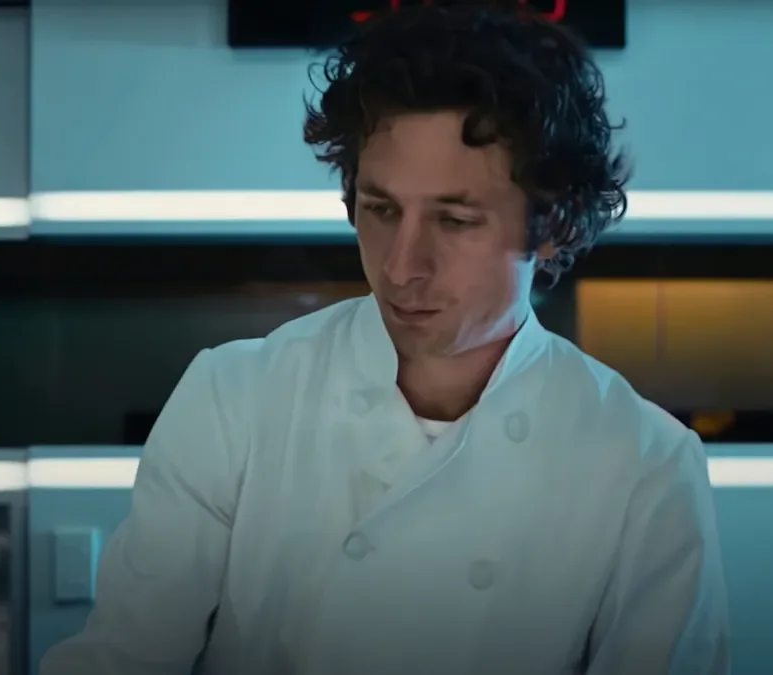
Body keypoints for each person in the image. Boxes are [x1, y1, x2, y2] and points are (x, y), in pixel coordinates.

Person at [40, 4, 731, 675]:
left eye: (455, 220)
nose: (402, 266)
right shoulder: (235, 401)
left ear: (552, 226)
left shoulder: (644, 465)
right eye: (380, 209)